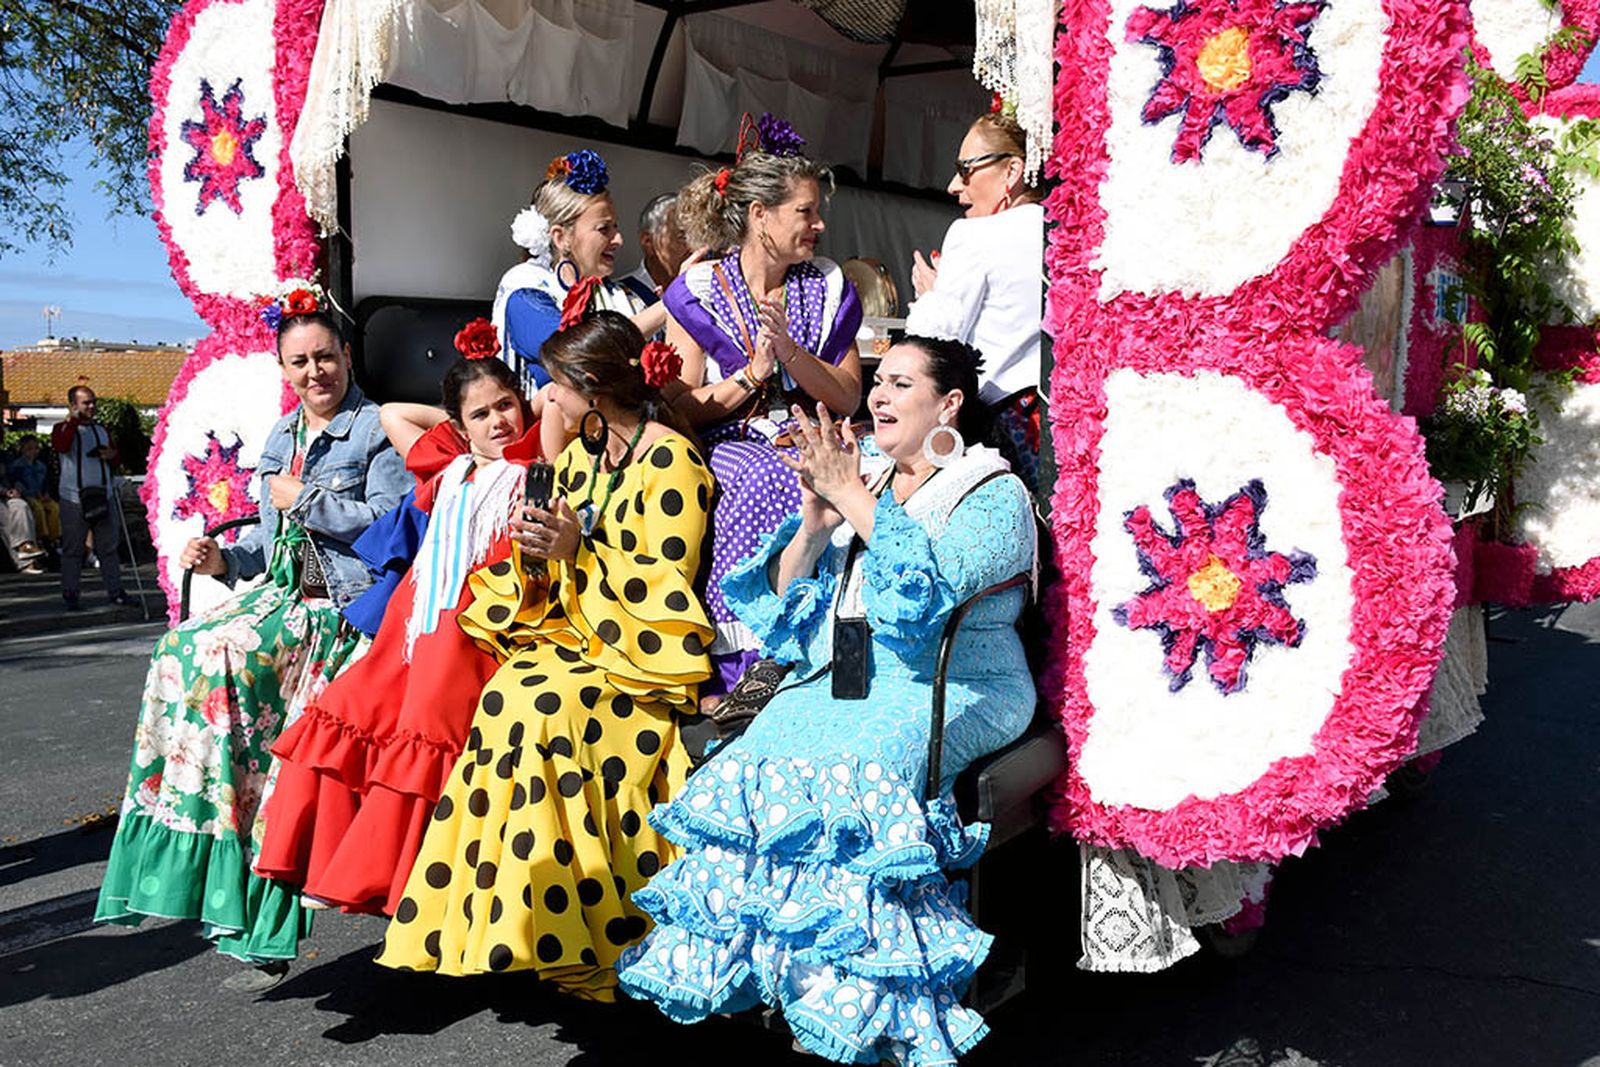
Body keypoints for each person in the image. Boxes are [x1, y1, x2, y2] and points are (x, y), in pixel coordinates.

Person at [618, 336, 1037, 1066]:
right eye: (877, 381)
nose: (877, 395)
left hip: (954, 681)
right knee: (749, 757)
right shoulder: (867, 480)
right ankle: (779, 975)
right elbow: (786, 613)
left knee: (853, 773)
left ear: (948, 404)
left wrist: (849, 495)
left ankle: (864, 1001)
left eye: (900, 383)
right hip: (846, 674)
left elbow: (926, 602)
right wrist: (814, 523)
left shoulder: (990, 491)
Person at [376, 311, 714, 1001]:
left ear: (590, 386)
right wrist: (536, 562)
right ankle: (516, 923)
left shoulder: (671, 459)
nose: (546, 400)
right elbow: (560, 563)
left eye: (555, 385)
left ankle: (592, 926)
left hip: (641, 656)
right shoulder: (585, 456)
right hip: (582, 635)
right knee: (505, 695)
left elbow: (666, 585)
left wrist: (575, 551)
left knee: (539, 704)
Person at [94, 293, 409, 981]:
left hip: (340, 607)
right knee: (178, 653)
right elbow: (268, 547)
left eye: (325, 356)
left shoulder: (375, 430)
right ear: (283, 367)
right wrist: (218, 561)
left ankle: (261, 894)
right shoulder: (280, 436)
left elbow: (397, 527)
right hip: (282, 595)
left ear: (347, 356)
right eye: (299, 361)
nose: (315, 370)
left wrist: (314, 502)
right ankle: (201, 867)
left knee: (227, 658)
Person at [257, 342, 542, 916]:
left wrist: (518, 414)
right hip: (414, 617)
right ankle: (321, 857)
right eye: (481, 414)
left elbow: (556, 401)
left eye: (506, 405)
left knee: (424, 722)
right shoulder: (450, 464)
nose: (499, 422)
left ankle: (388, 878)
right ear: (460, 426)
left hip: (472, 621)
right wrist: (461, 428)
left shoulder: (535, 464)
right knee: (348, 703)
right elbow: (393, 414)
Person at [663, 114, 864, 695]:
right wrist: (753, 375)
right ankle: (752, 658)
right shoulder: (700, 290)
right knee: (764, 478)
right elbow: (685, 405)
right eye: (805, 211)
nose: (819, 224)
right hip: (735, 438)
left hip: (814, 427)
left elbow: (849, 394)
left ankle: (839, 638)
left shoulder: (824, 283)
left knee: (868, 471)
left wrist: (791, 354)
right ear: (760, 215)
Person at [908, 108, 1045, 490]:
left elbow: (933, 343)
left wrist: (929, 297)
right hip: (1053, 422)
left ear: (1012, 172)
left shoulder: (974, 235)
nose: (954, 185)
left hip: (994, 427)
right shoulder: (1064, 233)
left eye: (966, 168)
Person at [490, 149, 657, 405]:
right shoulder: (525, 289)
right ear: (561, 237)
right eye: (604, 229)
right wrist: (670, 305)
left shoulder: (617, 294)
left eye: (616, 227)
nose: (619, 240)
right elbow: (577, 352)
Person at [51, 386, 129, 608]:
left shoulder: (101, 429)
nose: (92, 406)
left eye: (93, 402)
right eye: (86, 403)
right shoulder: (62, 427)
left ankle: (116, 591)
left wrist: (112, 455)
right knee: (73, 548)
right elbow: (61, 445)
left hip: (103, 494)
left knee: (108, 546)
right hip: (74, 496)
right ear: (74, 405)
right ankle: (71, 594)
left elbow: (115, 460)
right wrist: (74, 421)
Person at [616, 192, 691, 308]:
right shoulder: (620, 295)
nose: (692, 247)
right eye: (682, 237)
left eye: (696, 238)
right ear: (648, 242)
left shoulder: (701, 289)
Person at [10, 434, 62, 548]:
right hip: (27, 495)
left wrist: (46, 493)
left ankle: (55, 537)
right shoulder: (17, 465)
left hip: (40, 494)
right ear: (22, 449)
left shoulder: (41, 466)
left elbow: (46, 482)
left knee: (54, 507)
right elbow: (16, 482)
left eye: (35, 448)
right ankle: (42, 535)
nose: (32, 452)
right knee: (38, 509)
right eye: (29, 449)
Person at [0, 465, 45, 573]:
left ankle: (25, 548)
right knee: (5, 516)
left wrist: (16, 488)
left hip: (5, 497)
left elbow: (14, 478)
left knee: (20, 506)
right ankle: (25, 563)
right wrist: (4, 491)